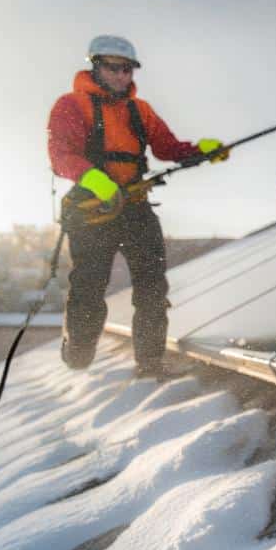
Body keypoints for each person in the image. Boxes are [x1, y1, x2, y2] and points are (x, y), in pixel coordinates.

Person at [47, 35, 226, 377]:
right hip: (92, 209)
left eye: (126, 69)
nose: (119, 75)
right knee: (88, 286)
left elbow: (167, 147)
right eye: (112, 67)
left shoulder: (140, 111)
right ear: (96, 66)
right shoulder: (71, 105)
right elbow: (61, 155)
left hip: (135, 207)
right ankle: (79, 355)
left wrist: (202, 149)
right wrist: (96, 180)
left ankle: (150, 363)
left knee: (152, 287)